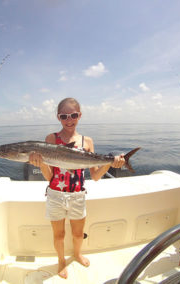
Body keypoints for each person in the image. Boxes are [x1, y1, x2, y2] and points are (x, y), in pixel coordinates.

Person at [29, 97, 125, 279]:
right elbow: (50, 176)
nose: (69, 120)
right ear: (58, 117)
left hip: (78, 196)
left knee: (78, 233)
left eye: (73, 115)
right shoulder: (51, 139)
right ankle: (61, 260)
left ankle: (77, 254)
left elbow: (96, 176)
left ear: (79, 115)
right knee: (59, 235)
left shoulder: (87, 141)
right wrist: (39, 163)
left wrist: (111, 164)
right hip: (56, 195)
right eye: (64, 116)